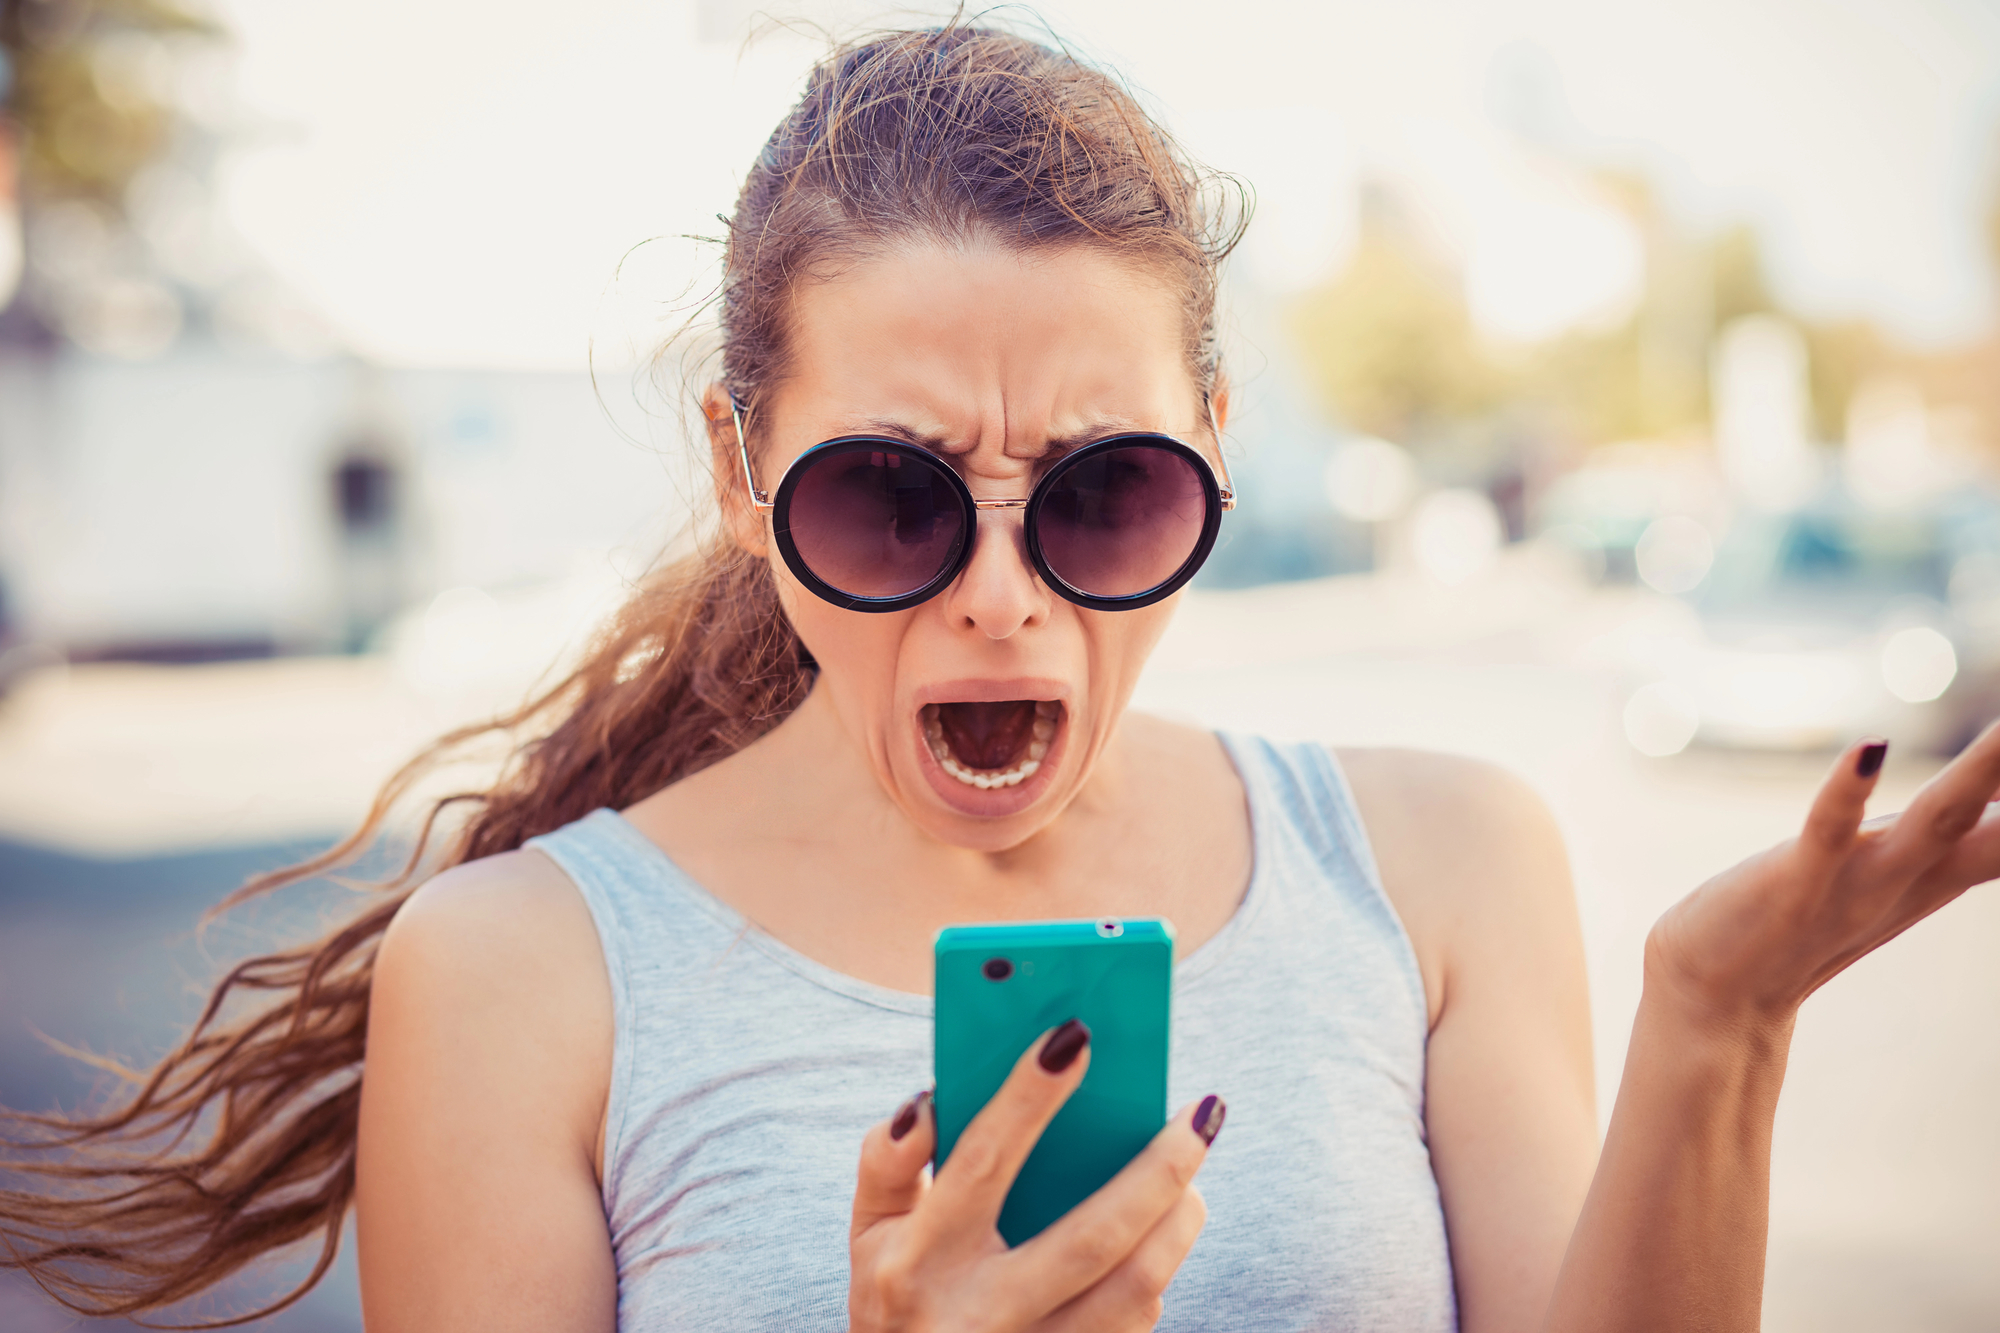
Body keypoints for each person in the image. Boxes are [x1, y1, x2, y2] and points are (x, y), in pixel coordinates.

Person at [6, 24, 2000, 1333]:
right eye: (887, 502)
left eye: (1108, 496)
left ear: (1211, 446)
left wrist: (1718, 1026)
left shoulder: (1445, 862)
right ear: (736, 468)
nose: (997, 599)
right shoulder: (517, 972)